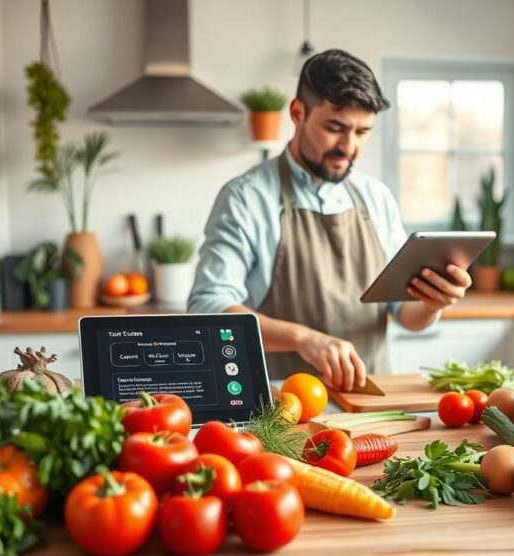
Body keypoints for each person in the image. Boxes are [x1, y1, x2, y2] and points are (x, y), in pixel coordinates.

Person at [189, 49, 473, 391]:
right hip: (280, 408)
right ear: (297, 113)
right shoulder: (245, 198)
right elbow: (208, 308)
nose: (348, 146)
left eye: (361, 132)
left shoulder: (376, 197)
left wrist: (431, 303)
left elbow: (404, 313)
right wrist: (302, 338)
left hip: (370, 401)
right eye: (335, 128)